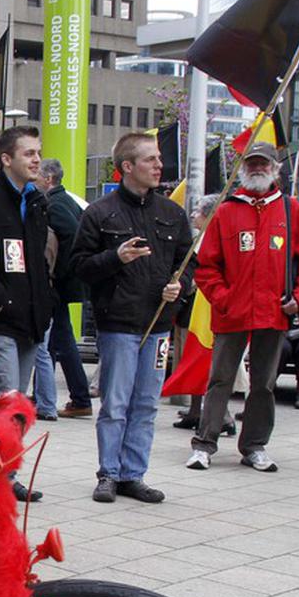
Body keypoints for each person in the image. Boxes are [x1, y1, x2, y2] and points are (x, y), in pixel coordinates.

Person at [185, 143, 299, 473]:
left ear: (276, 168)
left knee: (263, 383)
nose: (257, 169)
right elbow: (206, 267)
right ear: (243, 168)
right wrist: (223, 298)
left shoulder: (291, 210)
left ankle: (254, 445)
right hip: (232, 313)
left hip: (274, 313)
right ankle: (204, 443)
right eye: (252, 164)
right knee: (219, 379)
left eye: (264, 164)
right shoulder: (226, 210)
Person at [72, 133, 192, 503]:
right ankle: (108, 472)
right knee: (116, 403)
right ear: (127, 166)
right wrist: (115, 258)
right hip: (118, 322)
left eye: (158, 159)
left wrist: (181, 286)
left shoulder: (173, 213)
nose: (159, 166)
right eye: (150, 160)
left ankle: (133, 474)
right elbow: (78, 267)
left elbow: (188, 265)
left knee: (146, 404)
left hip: (158, 324)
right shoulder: (99, 213)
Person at [0, 126, 50, 502]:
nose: (36, 160)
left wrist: (45, 304)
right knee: (5, 399)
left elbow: (38, 262)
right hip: (1, 321)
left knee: (20, 405)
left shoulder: (37, 202)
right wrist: (3, 302)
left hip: (31, 321)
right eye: (28, 153)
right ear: (6, 159)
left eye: (38, 153)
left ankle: (8, 471)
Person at [32, 157, 92, 420]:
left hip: (60, 284)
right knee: (59, 339)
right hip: (65, 283)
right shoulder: (65, 200)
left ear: (48, 179)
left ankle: (77, 397)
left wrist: (58, 272)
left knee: (60, 341)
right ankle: (57, 396)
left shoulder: (54, 204)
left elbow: (72, 236)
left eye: (37, 177)